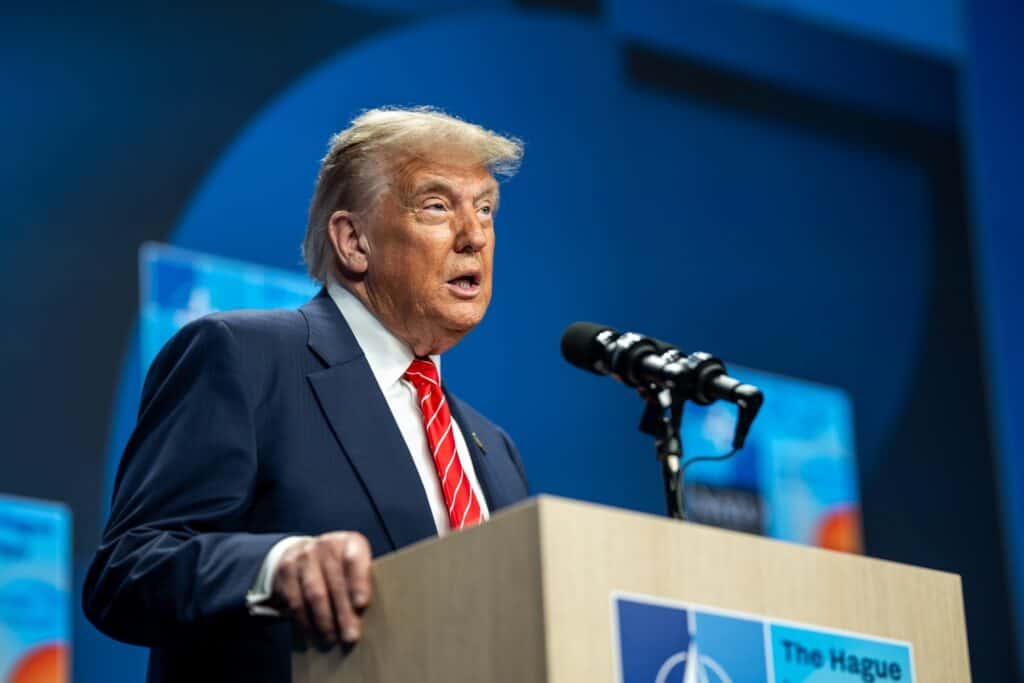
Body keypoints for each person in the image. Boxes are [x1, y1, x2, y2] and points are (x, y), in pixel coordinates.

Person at [83, 107, 530, 682]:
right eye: (437, 206)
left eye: (486, 208)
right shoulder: (244, 356)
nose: (474, 237)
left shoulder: (495, 449)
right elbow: (127, 571)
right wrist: (276, 567)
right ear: (353, 241)